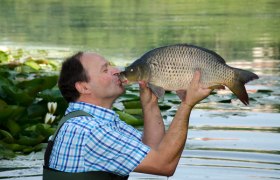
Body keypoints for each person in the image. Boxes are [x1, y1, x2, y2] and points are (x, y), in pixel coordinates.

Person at [43, 52, 212, 179]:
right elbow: (163, 165)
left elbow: (153, 150)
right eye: (105, 70)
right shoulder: (89, 130)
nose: (116, 70)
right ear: (84, 87)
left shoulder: (98, 122)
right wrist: (187, 104)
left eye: (111, 66)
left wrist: (149, 104)